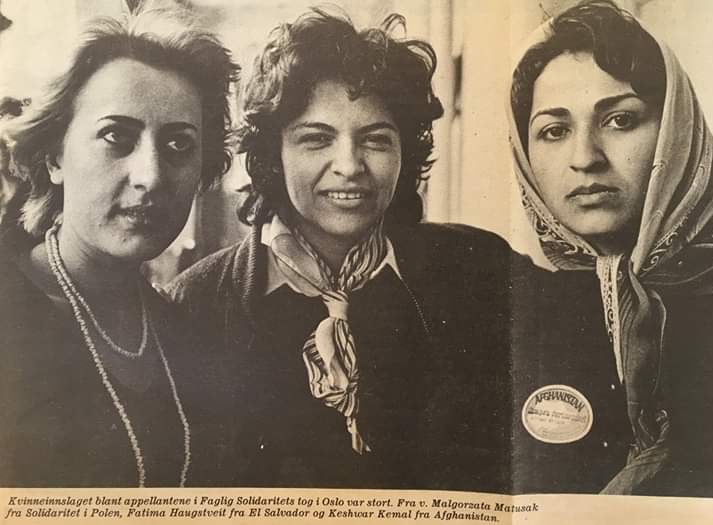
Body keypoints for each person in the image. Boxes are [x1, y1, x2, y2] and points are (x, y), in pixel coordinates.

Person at [168, 8, 517, 490]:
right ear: (273, 156)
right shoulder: (192, 306)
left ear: (405, 153)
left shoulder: (480, 269)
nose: (349, 165)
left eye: (375, 139)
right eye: (317, 140)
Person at [0, 5, 240, 486]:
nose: (150, 175)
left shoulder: (190, 334)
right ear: (54, 158)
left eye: (178, 145)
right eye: (116, 136)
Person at [509, 0, 713, 496]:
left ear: (676, 132)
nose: (585, 158)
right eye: (554, 131)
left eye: (620, 120)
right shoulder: (525, 312)